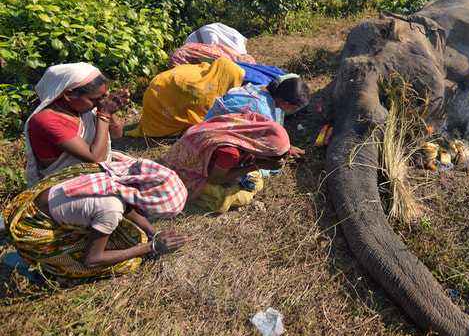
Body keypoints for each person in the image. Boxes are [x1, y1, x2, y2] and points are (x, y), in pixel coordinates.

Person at [4, 159, 189, 280]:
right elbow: (91, 260)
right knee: (129, 260)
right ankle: (47, 271)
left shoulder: (116, 172)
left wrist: (154, 233)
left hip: (31, 206)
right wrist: (151, 247)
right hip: (32, 230)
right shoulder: (111, 208)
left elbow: (130, 204)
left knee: (132, 234)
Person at [25, 62, 131, 186]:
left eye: (101, 98)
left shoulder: (81, 107)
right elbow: (95, 158)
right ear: (69, 94)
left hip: (93, 173)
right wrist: (104, 114)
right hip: (66, 182)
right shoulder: (45, 120)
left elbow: (117, 134)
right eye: (94, 99)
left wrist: (109, 108)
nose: (98, 103)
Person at [162, 112, 290, 213]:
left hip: (191, 148)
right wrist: (256, 166)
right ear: (262, 149)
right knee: (241, 197)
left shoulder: (250, 122)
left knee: (253, 180)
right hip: (183, 170)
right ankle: (191, 195)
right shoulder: (231, 153)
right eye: (267, 158)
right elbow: (215, 180)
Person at [126, 57, 245, 138]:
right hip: (158, 97)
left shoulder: (206, 71)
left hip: (159, 89)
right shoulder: (205, 94)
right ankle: (169, 121)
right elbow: (205, 120)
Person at [205, 73, 310, 161]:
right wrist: (286, 151)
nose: (296, 111)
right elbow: (265, 147)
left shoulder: (263, 89)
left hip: (208, 122)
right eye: (295, 108)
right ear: (285, 104)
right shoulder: (263, 114)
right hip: (211, 140)